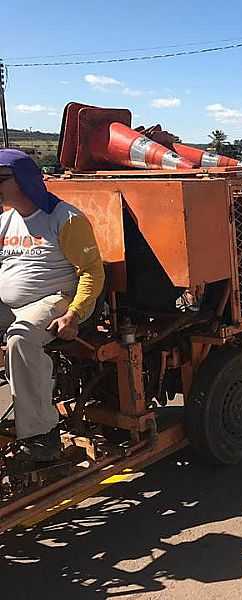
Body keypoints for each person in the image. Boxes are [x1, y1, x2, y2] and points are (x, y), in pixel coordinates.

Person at [0, 150, 105, 461]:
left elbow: (91, 271)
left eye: (1, 179)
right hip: (10, 303)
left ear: (23, 181)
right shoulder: (6, 221)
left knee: (21, 337)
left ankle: (40, 435)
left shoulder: (64, 219)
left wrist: (74, 315)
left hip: (56, 298)